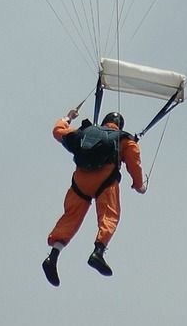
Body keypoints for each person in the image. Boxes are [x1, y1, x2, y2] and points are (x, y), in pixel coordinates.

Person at [41, 107, 147, 286]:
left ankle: (53, 256)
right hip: (105, 183)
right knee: (109, 216)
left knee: (70, 218)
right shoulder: (125, 140)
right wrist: (139, 185)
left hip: (80, 183)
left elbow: (58, 131)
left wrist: (68, 117)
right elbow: (134, 163)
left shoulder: (84, 132)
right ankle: (98, 252)